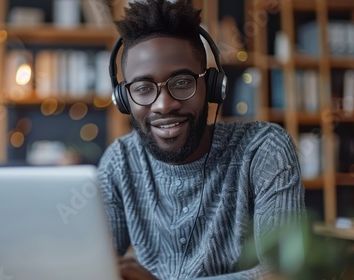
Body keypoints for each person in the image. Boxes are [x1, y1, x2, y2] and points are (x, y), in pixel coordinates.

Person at [98, 0, 305, 279]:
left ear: (210, 87)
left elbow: (285, 274)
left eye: (181, 82)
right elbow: (92, 265)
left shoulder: (264, 150)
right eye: (143, 88)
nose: (163, 105)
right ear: (124, 99)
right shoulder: (120, 161)